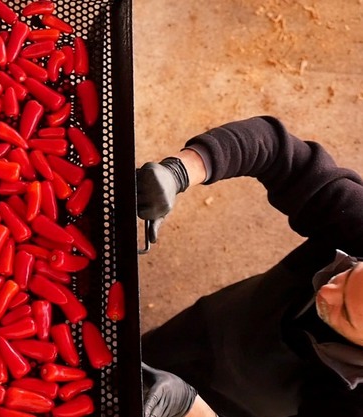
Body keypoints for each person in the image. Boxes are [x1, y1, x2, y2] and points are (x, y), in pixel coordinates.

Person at [136, 116, 363, 417]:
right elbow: (277, 152)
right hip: (216, 324)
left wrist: (187, 406)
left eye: (345, 312)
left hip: (235, 409)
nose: (326, 289)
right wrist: (180, 171)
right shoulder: (359, 226)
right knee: (150, 351)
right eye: (348, 273)